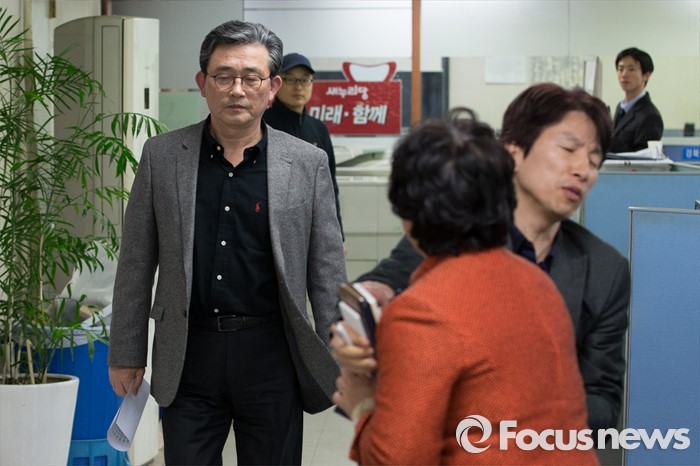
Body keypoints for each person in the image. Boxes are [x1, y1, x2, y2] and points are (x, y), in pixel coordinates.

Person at [107, 20, 346, 465]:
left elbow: (327, 270)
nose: (237, 89)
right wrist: (126, 351)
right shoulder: (162, 157)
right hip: (189, 355)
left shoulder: (306, 163)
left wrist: (338, 356)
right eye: (223, 76)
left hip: (273, 355)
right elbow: (136, 261)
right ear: (203, 83)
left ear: (271, 87)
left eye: (251, 77)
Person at [348, 83, 630, 434]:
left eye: (594, 160)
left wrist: (499, 402)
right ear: (514, 151)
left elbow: (603, 406)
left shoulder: (606, 270)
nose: (583, 170)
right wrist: (366, 312)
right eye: (569, 149)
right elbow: (376, 286)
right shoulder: (453, 228)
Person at [264, 52, 343, 237]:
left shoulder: (318, 129)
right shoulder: (262, 125)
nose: (298, 86)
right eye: (290, 79)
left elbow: (330, 187)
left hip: (313, 226)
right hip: (272, 227)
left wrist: (338, 235)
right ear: (276, 83)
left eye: (305, 80)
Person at [609, 47, 663, 153]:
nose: (624, 74)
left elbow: (643, 159)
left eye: (631, 69)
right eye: (620, 69)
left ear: (646, 75)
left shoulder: (650, 116)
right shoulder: (621, 107)